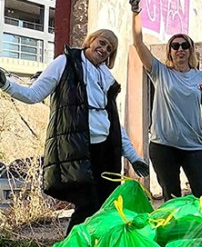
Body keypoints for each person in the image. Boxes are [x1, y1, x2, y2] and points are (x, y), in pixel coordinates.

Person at [0, 30, 149, 232]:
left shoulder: (106, 78)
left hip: (105, 151)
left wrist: (133, 156)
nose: (104, 49)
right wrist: (7, 85)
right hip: (76, 149)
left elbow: (114, 124)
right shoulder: (65, 63)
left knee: (105, 206)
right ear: (91, 40)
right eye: (102, 42)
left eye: (109, 49)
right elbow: (34, 94)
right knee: (87, 205)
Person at [129, 0, 202, 200]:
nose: (180, 49)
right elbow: (138, 43)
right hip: (163, 146)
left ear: (190, 50)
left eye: (185, 45)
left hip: (194, 146)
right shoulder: (160, 71)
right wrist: (136, 11)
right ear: (170, 51)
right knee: (172, 198)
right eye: (175, 46)